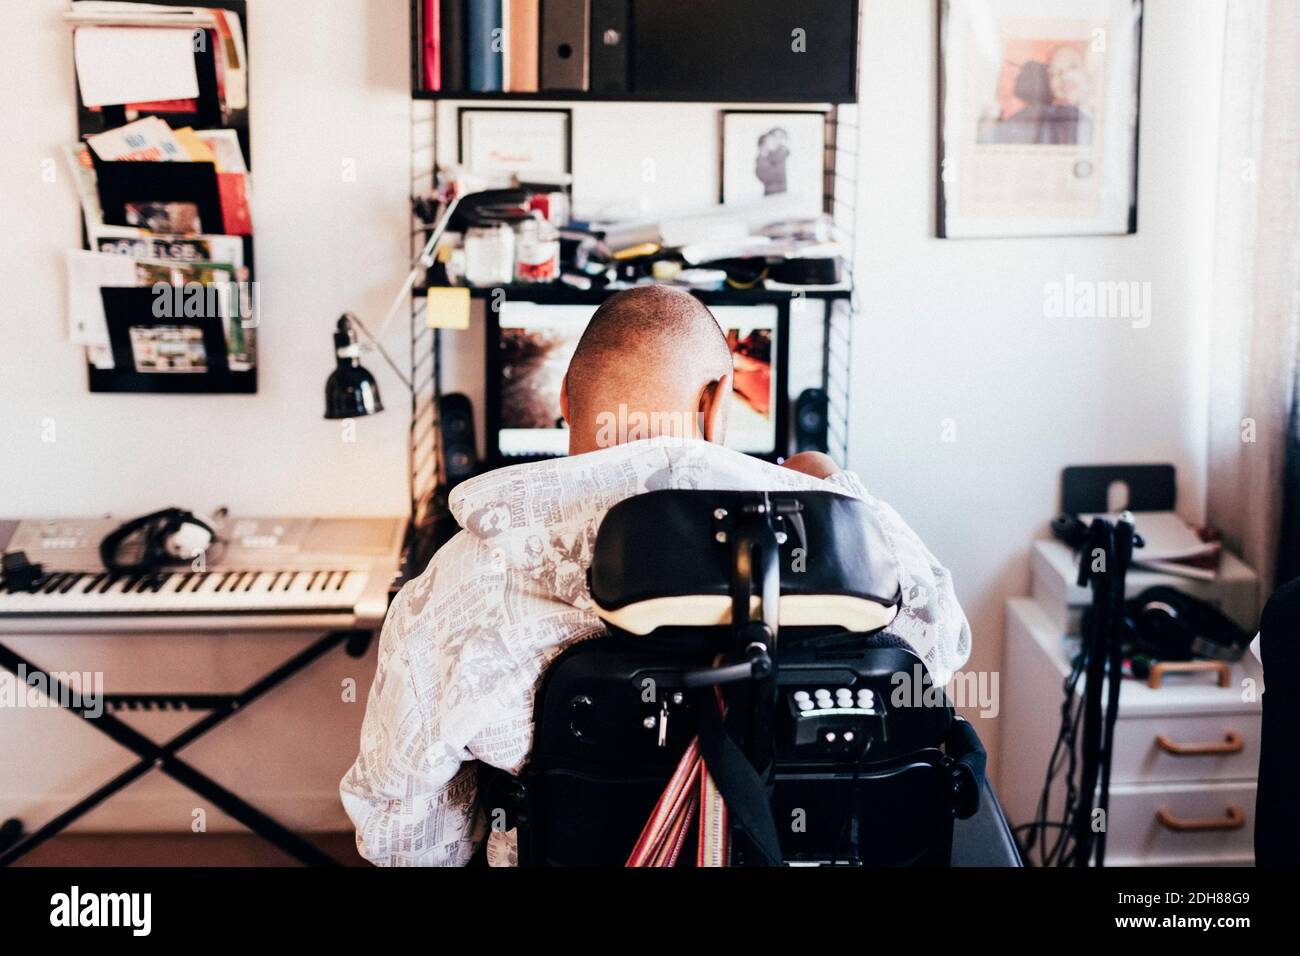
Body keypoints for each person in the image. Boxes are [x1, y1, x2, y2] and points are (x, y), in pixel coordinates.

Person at [340, 286, 971, 866]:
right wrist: (832, 486)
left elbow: (401, 835)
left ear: (564, 399)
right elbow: (937, 657)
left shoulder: (464, 582)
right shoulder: (858, 551)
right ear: (716, 399)